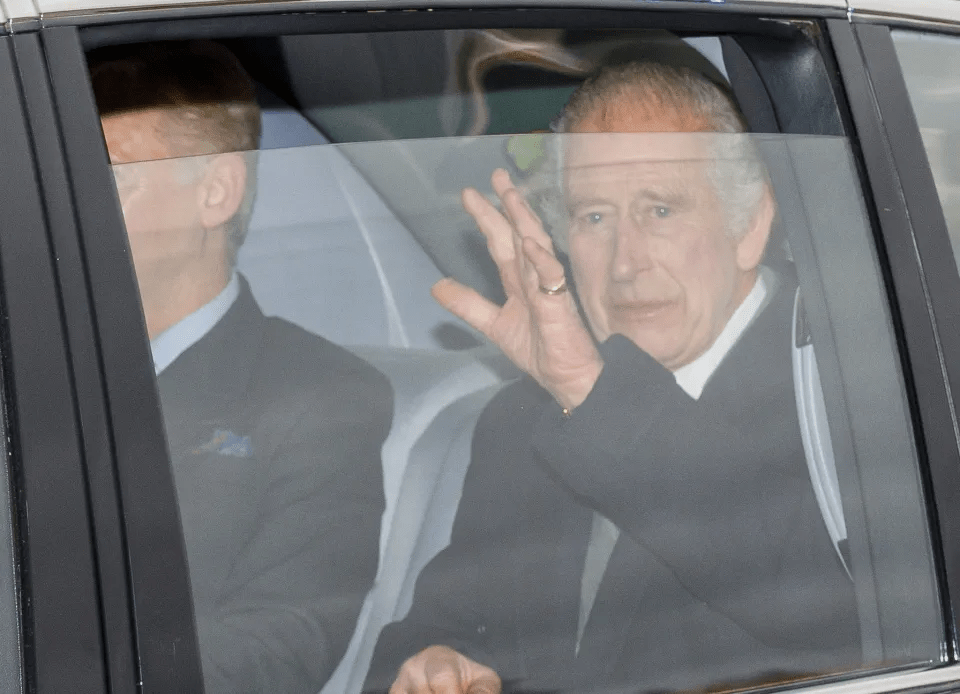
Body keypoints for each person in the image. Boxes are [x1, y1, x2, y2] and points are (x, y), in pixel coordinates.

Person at [366, 61, 860, 693]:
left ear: (749, 225)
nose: (625, 263)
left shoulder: (844, 388)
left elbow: (837, 624)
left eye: (659, 209)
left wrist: (591, 394)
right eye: (594, 217)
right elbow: (445, 628)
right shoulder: (525, 418)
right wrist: (434, 665)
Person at [91, 40, 392, 694]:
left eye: (111, 180)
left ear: (217, 191)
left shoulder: (317, 395)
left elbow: (280, 647)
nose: (74, 212)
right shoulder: (43, 377)